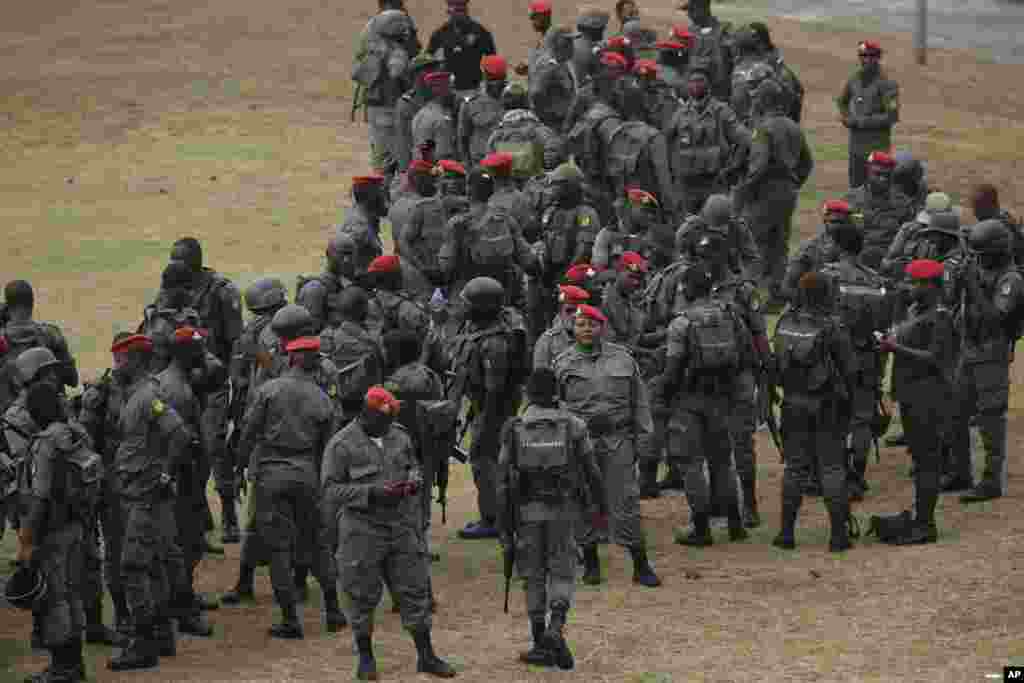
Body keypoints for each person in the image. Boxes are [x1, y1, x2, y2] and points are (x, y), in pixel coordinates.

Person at [322, 386, 457, 680]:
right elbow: (331, 489)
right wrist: (370, 492)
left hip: (401, 526)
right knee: (361, 595)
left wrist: (414, 480)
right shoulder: (341, 444)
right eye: (382, 420)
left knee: (414, 589)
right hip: (362, 529)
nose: (387, 425)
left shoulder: (399, 435)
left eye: (390, 419)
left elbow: (413, 466)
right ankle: (366, 658)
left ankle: (426, 655)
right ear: (365, 414)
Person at [496, 367, 605, 670]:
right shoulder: (574, 424)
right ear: (557, 392)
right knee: (562, 571)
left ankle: (538, 640)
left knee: (532, 575)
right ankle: (556, 628)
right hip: (563, 510)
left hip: (526, 514)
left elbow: (503, 481)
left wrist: (502, 527)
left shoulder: (514, 427)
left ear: (527, 394)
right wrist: (600, 506)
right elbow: (592, 471)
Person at [552, 304, 660, 587]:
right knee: (582, 500)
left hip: (618, 440)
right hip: (580, 443)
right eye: (581, 325)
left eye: (592, 325)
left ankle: (641, 564)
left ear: (603, 327)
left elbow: (640, 402)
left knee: (626, 500)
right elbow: (555, 405)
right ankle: (591, 563)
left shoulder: (624, 360)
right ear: (573, 329)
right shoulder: (562, 363)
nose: (587, 330)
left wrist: (645, 441)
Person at [238, 336, 336, 639]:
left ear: (291, 358)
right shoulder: (323, 398)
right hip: (307, 473)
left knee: (278, 549)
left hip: (272, 474)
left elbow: (249, 433)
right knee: (317, 544)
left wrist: (240, 466)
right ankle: (334, 610)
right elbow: (327, 447)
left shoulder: (269, 390)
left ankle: (291, 620)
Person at [106, 334, 192, 671]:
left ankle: (143, 644)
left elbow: (180, 434)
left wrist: (165, 474)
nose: (116, 366)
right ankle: (163, 636)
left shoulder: (148, 396)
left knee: (132, 567)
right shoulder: (136, 395)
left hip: (145, 493)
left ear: (136, 361)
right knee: (153, 565)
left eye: (120, 360)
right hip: (139, 491)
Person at [656, 265, 750, 546]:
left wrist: (663, 395)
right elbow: (744, 353)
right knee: (722, 461)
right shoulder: (730, 315)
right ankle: (735, 524)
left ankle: (701, 528)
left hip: (689, 400)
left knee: (691, 464)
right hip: (722, 398)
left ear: (685, 289)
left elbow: (673, 371)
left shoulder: (681, 323)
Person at [15, 378, 99, 683]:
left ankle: (63, 668)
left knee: (54, 599)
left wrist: (26, 541)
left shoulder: (45, 443)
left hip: (53, 532)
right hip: (78, 526)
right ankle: (74, 665)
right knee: (72, 594)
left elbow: (39, 498)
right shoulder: (76, 433)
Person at [770, 273, 856, 552]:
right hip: (827, 404)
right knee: (832, 467)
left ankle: (785, 534)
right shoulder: (833, 327)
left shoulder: (785, 323)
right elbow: (850, 370)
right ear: (826, 295)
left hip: (793, 403)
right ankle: (838, 536)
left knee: (794, 468)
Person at [875, 259, 956, 543]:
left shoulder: (941, 317)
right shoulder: (915, 311)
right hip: (912, 396)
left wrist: (894, 347)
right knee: (921, 461)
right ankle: (920, 517)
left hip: (930, 398)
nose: (909, 287)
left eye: (914, 282)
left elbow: (935, 358)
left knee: (927, 463)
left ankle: (925, 524)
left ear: (931, 286)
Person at [948, 220, 1024, 502]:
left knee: (990, 419)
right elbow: (954, 302)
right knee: (955, 413)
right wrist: (958, 281)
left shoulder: (1011, 280)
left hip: (992, 355)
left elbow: (995, 319)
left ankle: (992, 481)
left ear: (1000, 250)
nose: (978, 258)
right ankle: (960, 472)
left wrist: (971, 282)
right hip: (968, 351)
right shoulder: (979, 269)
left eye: (983, 253)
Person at [447, 277, 528, 539]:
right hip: (486, 407)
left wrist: (485, 423)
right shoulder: (479, 329)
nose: (463, 307)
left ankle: (493, 519)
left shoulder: (495, 344)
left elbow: (495, 388)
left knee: (485, 463)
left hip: (495, 411)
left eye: (468, 303)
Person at [155, 327, 215, 637]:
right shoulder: (176, 390)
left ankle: (182, 597)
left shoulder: (177, 382)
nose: (204, 355)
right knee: (186, 542)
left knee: (186, 541)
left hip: (185, 474)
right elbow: (176, 440)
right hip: (182, 476)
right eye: (199, 350)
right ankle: (180, 607)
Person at [734, 77, 814, 306]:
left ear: (764, 101)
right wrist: (794, 184)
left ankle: (749, 296)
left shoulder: (763, 129)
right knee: (779, 244)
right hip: (787, 193)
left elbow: (758, 167)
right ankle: (777, 295)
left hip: (764, 192)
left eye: (757, 98)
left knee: (752, 243)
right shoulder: (793, 127)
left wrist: (743, 192)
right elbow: (807, 163)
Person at [78, 334, 134, 641]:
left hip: (134, 478)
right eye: (122, 356)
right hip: (110, 482)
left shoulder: (145, 387)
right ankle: (123, 612)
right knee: (115, 551)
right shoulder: (99, 393)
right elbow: (86, 442)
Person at [666, 66, 748, 216]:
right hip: (686, 186)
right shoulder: (679, 114)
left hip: (714, 184)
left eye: (700, 80)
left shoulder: (722, 111)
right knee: (688, 228)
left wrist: (733, 168)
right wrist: (671, 172)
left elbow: (744, 139)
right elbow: (665, 142)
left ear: (709, 84)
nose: (696, 85)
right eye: (692, 81)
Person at [353, 8, 418, 174]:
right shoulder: (399, 54)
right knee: (399, 159)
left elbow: (359, 76)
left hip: (378, 112)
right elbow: (400, 74)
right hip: (394, 112)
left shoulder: (375, 53)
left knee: (380, 160)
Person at [0, 279, 78, 413]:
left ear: (8, 306)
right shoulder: (52, 334)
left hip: (11, 423)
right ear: (32, 304)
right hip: (51, 419)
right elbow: (72, 379)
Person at [836, 40, 900, 189]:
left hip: (877, 149)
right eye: (862, 56)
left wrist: (861, 122)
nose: (865, 60)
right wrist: (846, 117)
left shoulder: (887, 84)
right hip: (856, 148)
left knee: (876, 189)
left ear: (878, 58)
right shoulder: (855, 79)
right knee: (855, 189)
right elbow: (841, 101)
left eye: (870, 56)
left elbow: (892, 116)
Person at [845, 151, 915, 270]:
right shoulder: (850, 201)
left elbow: (910, 240)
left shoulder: (903, 204)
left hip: (888, 264)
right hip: (855, 263)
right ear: (868, 172)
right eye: (877, 174)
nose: (882, 179)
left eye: (887, 176)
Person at [676, 193, 762, 280]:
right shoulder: (690, 230)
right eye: (714, 229)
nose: (718, 234)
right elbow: (682, 260)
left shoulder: (738, 229)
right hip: (697, 278)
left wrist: (744, 279)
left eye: (722, 228)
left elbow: (752, 261)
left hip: (730, 278)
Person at [395, 162, 450, 296]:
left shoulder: (398, 203)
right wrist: (422, 268)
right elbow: (403, 241)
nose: (435, 183)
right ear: (419, 180)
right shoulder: (423, 207)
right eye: (432, 179)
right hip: (423, 276)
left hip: (410, 273)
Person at [781, 199, 850, 303]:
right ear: (825, 221)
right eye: (834, 222)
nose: (839, 226)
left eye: (843, 222)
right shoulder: (810, 248)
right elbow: (788, 286)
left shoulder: (856, 246)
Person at [428, 0, 497, 101]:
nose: (459, 11)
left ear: (466, 9)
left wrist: (488, 87)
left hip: (475, 89)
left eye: (461, 8)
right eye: (455, 8)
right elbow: (428, 57)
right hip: (450, 91)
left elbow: (492, 60)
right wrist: (439, 68)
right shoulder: (441, 33)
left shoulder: (479, 31)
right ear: (448, 10)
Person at [297, 232, 360, 334]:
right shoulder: (315, 289)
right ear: (328, 254)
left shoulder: (347, 285)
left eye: (350, 254)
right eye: (342, 254)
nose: (346, 260)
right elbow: (310, 331)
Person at [458, 56, 507, 167]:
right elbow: (463, 138)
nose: (496, 84)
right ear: (485, 76)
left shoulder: (516, 98)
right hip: (482, 163)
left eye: (499, 79)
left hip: (509, 162)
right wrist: (467, 164)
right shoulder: (471, 103)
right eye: (492, 79)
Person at [336, 174, 389, 274]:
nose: (386, 203)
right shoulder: (359, 227)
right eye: (382, 196)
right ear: (371, 198)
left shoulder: (366, 220)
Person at [528, 27, 579, 132]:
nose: (572, 46)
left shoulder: (561, 62)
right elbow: (535, 93)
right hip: (553, 127)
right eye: (568, 42)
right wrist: (551, 116)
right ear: (558, 44)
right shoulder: (548, 66)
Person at [683, 0, 734, 101]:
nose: (688, 15)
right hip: (694, 95)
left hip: (719, 96)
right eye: (688, 11)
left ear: (704, 9)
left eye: (692, 10)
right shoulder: (689, 33)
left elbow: (730, 64)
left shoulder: (722, 32)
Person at [533, 285, 591, 370]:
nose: (574, 315)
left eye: (579, 312)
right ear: (560, 313)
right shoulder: (547, 341)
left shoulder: (594, 338)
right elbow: (540, 379)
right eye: (569, 311)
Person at [969, 183, 1024, 266]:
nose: (974, 213)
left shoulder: (1001, 228)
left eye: (977, 208)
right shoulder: (1003, 217)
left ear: (987, 206)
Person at [412, 71, 459, 164]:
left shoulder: (420, 113)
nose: (454, 93)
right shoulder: (441, 119)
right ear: (441, 91)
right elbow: (444, 155)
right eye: (451, 88)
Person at [572, 8, 611, 87]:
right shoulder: (588, 52)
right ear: (593, 30)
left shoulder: (576, 41)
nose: (604, 29)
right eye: (602, 27)